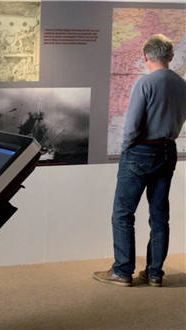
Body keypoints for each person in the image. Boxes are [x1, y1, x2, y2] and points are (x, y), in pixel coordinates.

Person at [93, 34, 186, 288]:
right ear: (170, 56)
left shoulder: (144, 83)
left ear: (145, 56)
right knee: (159, 215)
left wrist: (126, 150)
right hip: (168, 151)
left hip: (140, 152)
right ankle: (155, 273)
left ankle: (123, 271)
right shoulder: (182, 84)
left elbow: (132, 126)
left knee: (123, 213)